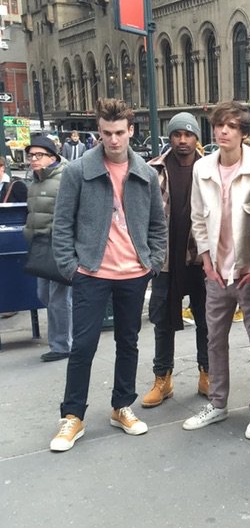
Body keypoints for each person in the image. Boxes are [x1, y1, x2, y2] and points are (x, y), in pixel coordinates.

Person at [50, 98, 167, 452]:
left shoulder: (146, 174)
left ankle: (122, 406)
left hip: (133, 272)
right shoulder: (78, 171)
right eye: (106, 133)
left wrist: (153, 262)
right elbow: (62, 224)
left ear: (131, 131)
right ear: (98, 132)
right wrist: (71, 267)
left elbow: (157, 224)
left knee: (127, 342)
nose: (113, 140)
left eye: (119, 132)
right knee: (83, 344)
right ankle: (73, 415)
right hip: (91, 272)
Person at [183, 101, 250, 441]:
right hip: (217, 272)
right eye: (219, 125)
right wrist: (206, 261)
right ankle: (217, 403)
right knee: (214, 338)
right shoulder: (202, 168)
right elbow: (197, 218)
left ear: (243, 133)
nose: (223, 131)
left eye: (231, 126)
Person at [142, 112, 209, 407]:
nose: (183, 140)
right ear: (169, 138)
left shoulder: (209, 168)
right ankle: (163, 378)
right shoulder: (153, 169)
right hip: (165, 259)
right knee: (163, 321)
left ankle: (207, 373)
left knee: (206, 320)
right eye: (177, 134)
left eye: (188, 134)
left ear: (196, 138)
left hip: (200, 257)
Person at [23, 136, 72, 362]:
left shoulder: (64, 178)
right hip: (40, 246)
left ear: (52, 157)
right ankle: (66, 338)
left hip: (58, 246)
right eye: (31, 155)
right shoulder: (35, 180)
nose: (33, 159)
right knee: (44, 295)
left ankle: (62, 345)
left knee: (59, 298)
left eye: (38, 155)